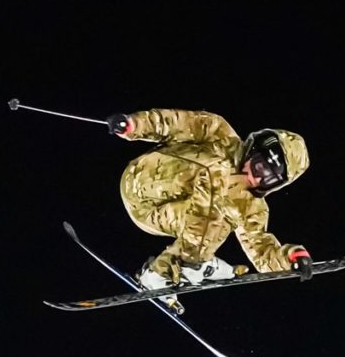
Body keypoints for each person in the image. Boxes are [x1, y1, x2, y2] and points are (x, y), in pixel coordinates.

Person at [109, 109, 311, 292]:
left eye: (269, 180)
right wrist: (134, 125)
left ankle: (164, 272)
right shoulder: (219, 133)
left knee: (223, 214)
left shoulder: (252, 207)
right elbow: (174, 123)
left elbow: (261, 250)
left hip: (155, 215)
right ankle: (198, 265)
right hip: (143, 180)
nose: (257, 179)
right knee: (218, 173)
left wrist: (290, 259)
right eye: (259, 168)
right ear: (252, 150)